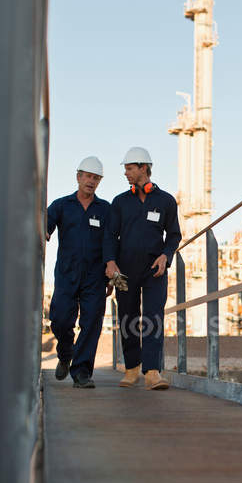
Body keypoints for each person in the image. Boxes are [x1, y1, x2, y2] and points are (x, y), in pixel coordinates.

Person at [104, 147, 181, 390]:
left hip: (154, 271)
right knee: (127, 316)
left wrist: (166, 256)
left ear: (143, 168)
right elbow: (109, 236)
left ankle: (152, 372)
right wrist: (110, 262)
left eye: (129, 168)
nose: (126, 173)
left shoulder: (166, 201)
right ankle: (131, 368)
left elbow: (174, 235)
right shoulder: (119, 202)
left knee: (153, 318)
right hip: (122, 271)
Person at [47, 156, 111, 388]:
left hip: (95, 276)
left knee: (92, 321)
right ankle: (65, 354)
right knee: (60, 320)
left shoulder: (105, 210)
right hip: (66, 274)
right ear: (78, 177)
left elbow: (111, 242)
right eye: (88, 177)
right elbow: (45, 225)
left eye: (96, 178)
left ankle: (82, 372)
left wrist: (111, 270)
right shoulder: (61, 205)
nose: (91, 182)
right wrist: (43, 232)